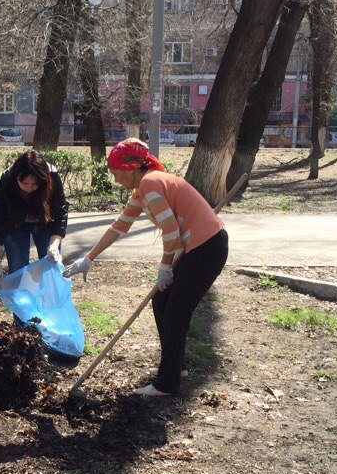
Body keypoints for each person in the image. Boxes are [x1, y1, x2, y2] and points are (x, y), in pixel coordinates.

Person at [63, 139, 228, 397]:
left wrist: (165, 268)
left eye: (115, 172)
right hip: (197, 248)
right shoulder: (144, 187)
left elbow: (171, 233)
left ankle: (167, 384)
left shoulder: (151, 184)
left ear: (129, 168)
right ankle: (176, 368)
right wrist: (89, 257)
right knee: (162, 303)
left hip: (206, 249)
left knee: (175, 313)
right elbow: (119, 225)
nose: (115, 178)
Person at [0, 150, 69, 293]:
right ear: (15, 177)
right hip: (15, 225)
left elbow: (60, 214)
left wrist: (54, 246)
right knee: (18, 274)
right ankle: (23, 315)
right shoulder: (5, 180)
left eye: (35, 184)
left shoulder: (51, 176)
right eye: (24, 183)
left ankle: (48, 314)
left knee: (51, 272)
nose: (29, 189)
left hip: (45, 225)